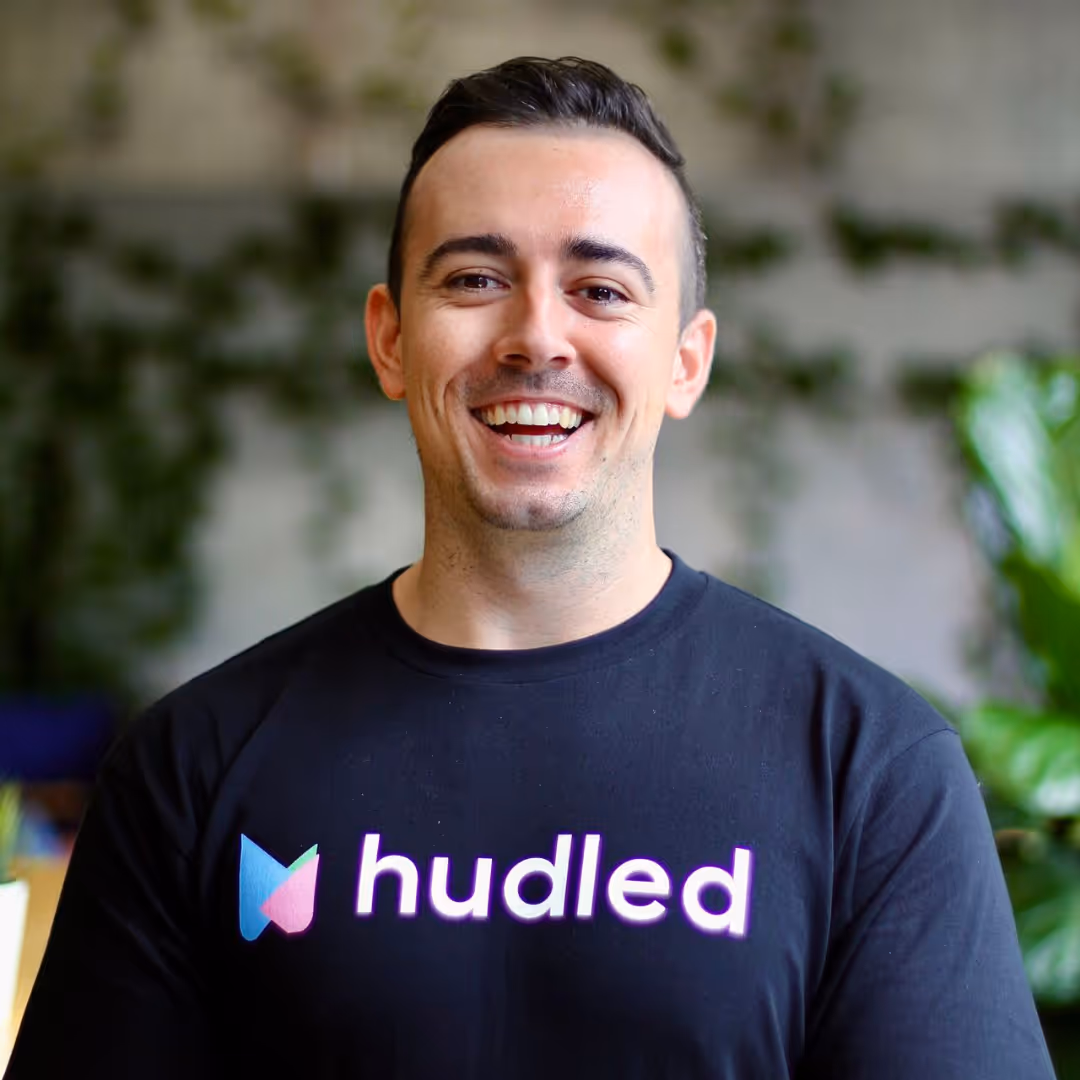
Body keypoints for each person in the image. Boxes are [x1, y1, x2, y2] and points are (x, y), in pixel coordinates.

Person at [6, 57, 1054, 1080]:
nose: (536, 337)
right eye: (475, 279)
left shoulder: (871, 771)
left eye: (600, 289)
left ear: (686, 360)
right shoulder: (195, 769)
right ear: (390, 339)